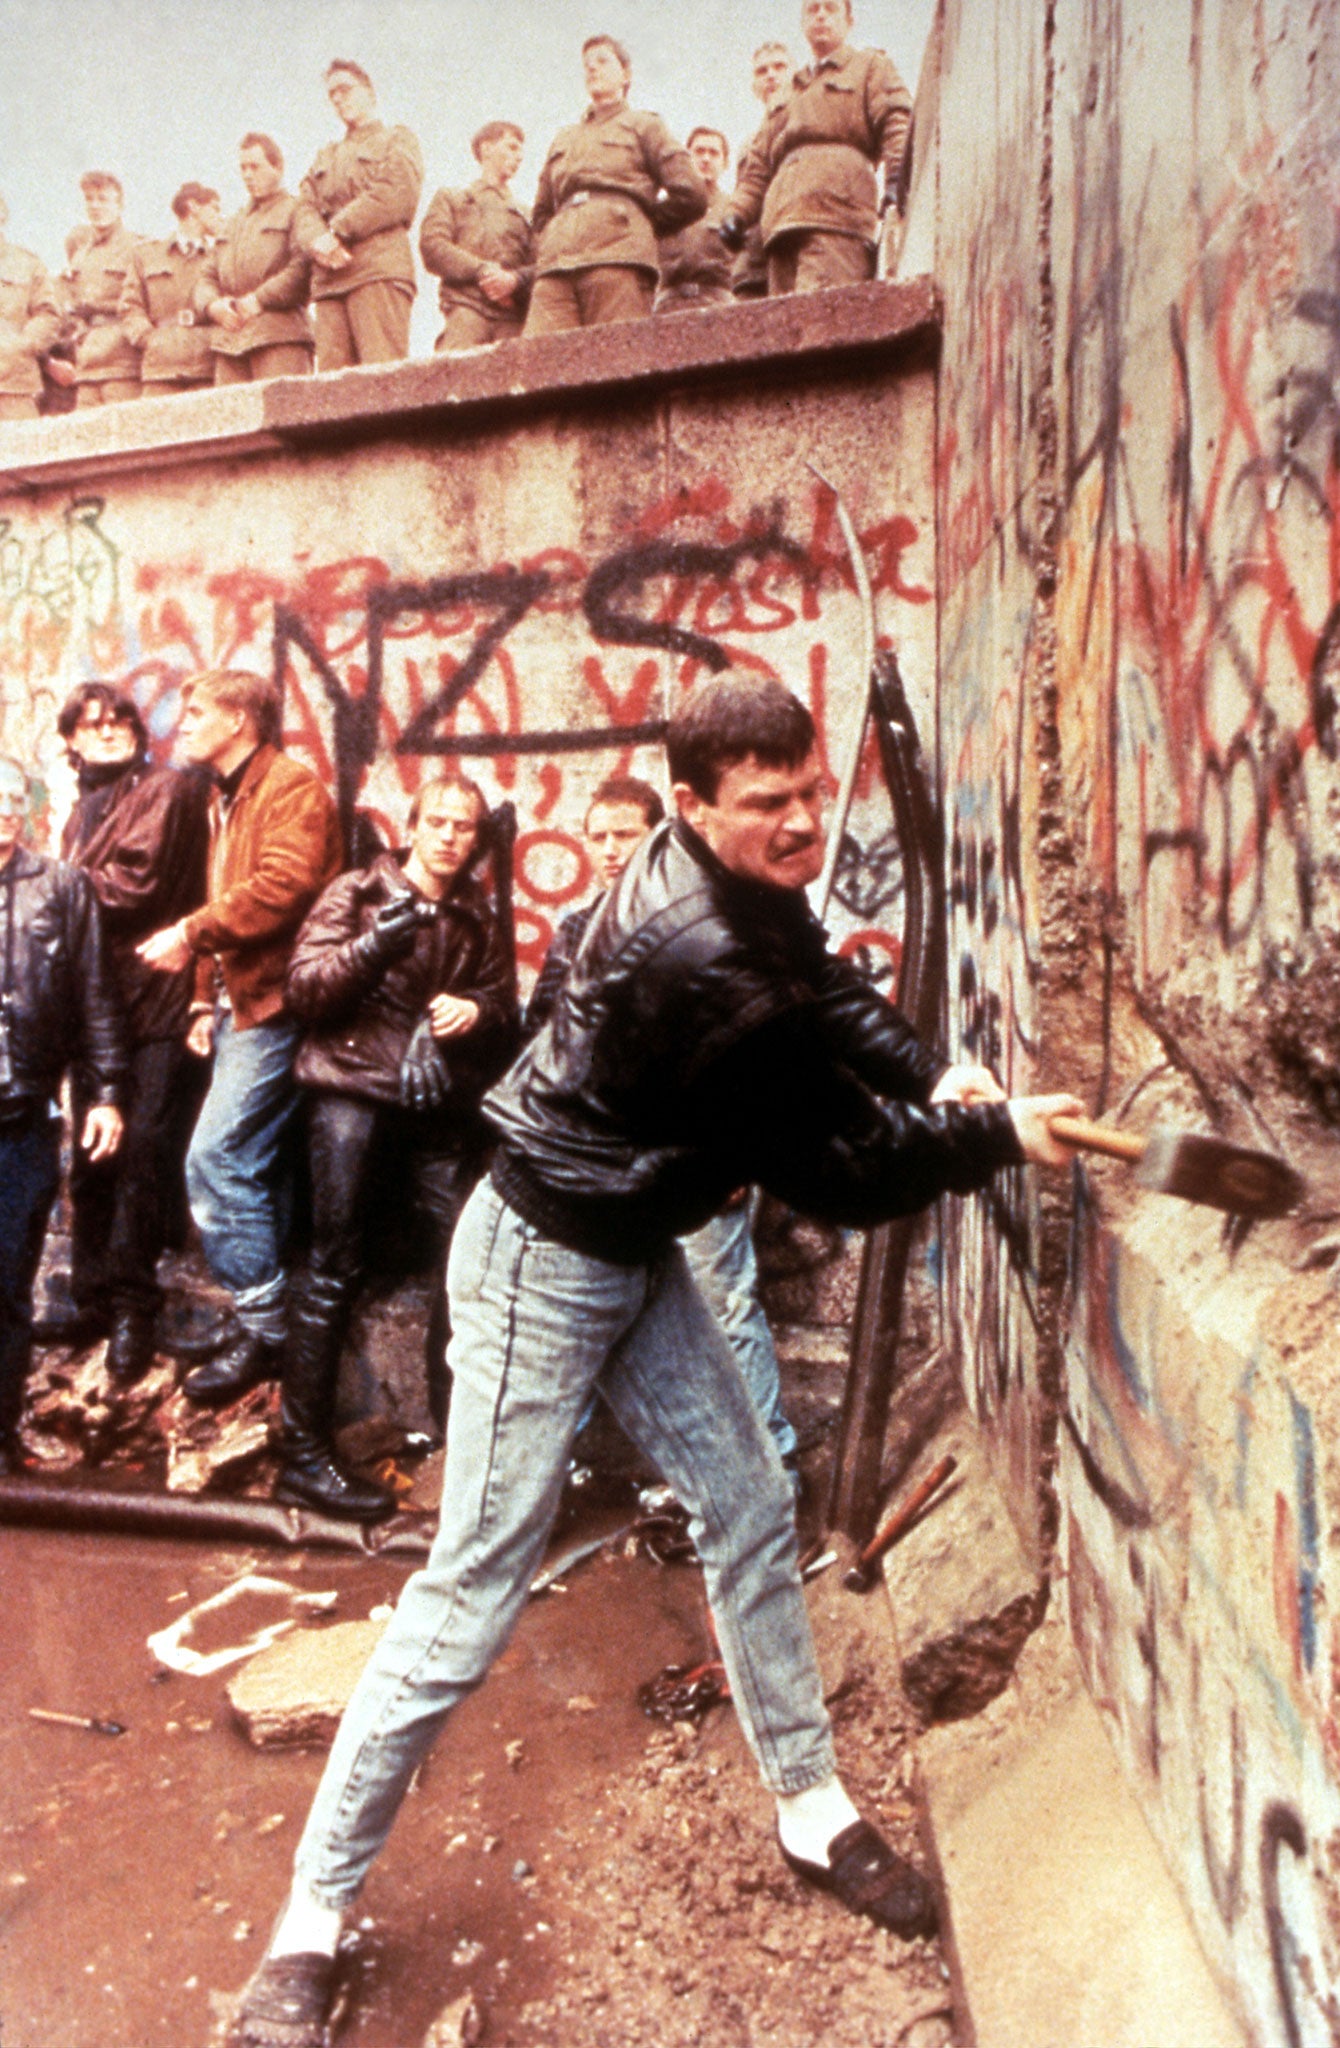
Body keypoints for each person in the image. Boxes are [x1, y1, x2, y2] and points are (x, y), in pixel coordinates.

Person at [226, 673, 1083, 2047]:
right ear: (692, 807)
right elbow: (850, 1174)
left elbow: (822, 982)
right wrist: (995, 1136)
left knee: (748, 1510)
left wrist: (936, 1073)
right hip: (541, 1263)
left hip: (637, 1246)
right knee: (468, 1598)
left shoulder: (731, 878)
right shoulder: (701, 955)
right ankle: (309, 1921)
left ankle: (811, 1811)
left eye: (813, 790)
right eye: (771, 806)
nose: (805, 821)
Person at [525, 774, 801, 1469]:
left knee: (722, 1308)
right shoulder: (579, 931)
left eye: (627, 835)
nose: (612, 850)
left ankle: (773, 1464)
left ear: (660, 837)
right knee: (587, 1309)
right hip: (610, 1159)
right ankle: (611, 1471)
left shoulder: (711, 921)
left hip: (697, 1155)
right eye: (599, 836)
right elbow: (545, 1040)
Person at [277, 773, 518, 1520]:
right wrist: (378, 944)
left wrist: (471, 1012)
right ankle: (302, 1458)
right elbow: (306, 992)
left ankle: (460, 1455)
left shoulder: (477, 914)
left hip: (433, 1105)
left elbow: (507, 1009)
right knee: (333, 1267)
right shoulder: (358, 893)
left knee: (463, 1271)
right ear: (413, 827)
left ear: (478, 840)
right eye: (438, 822)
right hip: (350, 1093)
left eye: (465, 827)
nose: (451, 837)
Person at [137, 670, 341, 1406]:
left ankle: (270, 1334)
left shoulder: (289, 787)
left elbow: (283, 887)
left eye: (196, 713)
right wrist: (201, 1000)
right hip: (238, 1005)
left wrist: (188, 936)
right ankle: (268, 1332)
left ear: (241, 721)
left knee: (217, 1160)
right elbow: (226, 899)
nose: (180, 723)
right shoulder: (228, 794)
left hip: (278, 1006)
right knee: (256, 1166)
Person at [57, 682, 209, 1383]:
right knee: (92, 1154)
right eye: (91, 724)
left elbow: (137, 886)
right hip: (95, 1004)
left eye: (119, 719)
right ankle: (89, 1296)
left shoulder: (167, 791)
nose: (108, 729)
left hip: (156, 998)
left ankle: (131, 1308)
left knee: (144, 1148)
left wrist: (50, 886)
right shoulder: (82, 811)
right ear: (72, 744)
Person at [0, 757, 125, 1474]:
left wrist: (106, 1094)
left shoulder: (62, 888)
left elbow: (96, 999)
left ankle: (4, 1432)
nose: (4, 811)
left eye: (15, 799)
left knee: (7, 1282)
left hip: (21, 1120)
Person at [721, 0, 912, 296]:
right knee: (784, 333)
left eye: (830, 8)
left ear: (849, 21)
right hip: (781, 227)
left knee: (825, 324)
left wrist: (896, 180)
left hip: (835, 217)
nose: (821, 15)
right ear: (802, 23)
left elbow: (896, 122)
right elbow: (757, 168)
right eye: (812, 9)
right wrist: (736, 214)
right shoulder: (788, 90)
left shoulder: (869, 66)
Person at [523, 35, 706, 338]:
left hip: (617, 258)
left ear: (626, 74)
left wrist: (638, 223)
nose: (592, 69)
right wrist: (553, 240)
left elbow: (692, 193)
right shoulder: (564, 137)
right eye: (587, 65)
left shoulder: (644, 125)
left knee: (617, 362)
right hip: (556, 266)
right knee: (537, 368)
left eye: (603, 60)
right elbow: (541, 212)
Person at [294, 60, 423, 372]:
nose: (338, 99)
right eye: (332, 95)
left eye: (345, 90)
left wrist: (336, 231)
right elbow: (303, 207)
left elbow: (395, 194)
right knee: (331, 391)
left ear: (369, 91)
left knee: (382, 379)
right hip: (329, 280)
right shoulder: (326, 155)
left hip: (376, 271)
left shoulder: (396, 139)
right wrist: (317, 241)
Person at [197, 135, 314, 385]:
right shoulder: (233, 223)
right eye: (243, 168)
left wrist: (259, 299)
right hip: (230, 342)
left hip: (279, 337)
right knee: (230, 422)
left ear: (278, 167)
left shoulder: (298, 210)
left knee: (286, 418)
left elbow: (303, 266)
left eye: (255, 166)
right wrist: (212, 306)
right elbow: (206, 275)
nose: (248, 175)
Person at [419, 121, 534, 352]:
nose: (519, 156)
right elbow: (433, 246)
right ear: (486, 148)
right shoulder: (452, 198)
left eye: (521, 150)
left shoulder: (527, 215)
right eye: (512, 147)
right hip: (466, 308)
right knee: (450, 377)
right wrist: (482, 271)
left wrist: (514, 281)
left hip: (512, 317)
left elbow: (543, 263)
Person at [120, 183, 223, 398]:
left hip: (206, 364)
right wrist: (148, 339)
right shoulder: (147, 254)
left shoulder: (220, 256)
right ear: (193, 207)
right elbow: (130, 306)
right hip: (160, 367)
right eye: (215, 208)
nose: (219, 216)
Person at [48, 172, 142, 407]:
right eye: (90, 199)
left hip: (121, 362)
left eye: (103, 199)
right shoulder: (81, 253)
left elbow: (145, 304)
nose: (95, 206)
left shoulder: (136, 247)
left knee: (123, 435)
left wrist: (95, 307)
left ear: (119, 205)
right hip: (87, 362)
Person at [731, 43, 795, 301]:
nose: (771, 75)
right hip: (756, 262)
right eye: (762, 71)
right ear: (754, 86)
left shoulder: (805, 121)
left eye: (779, 67)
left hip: (793, 242)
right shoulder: (749, 143)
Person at [654, 128, 734, 314]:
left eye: (713, 153)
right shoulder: (667, 209)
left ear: (725, 163)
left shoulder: (734, 208)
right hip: (669, 305)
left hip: (718, 305)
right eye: (699, 151)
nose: (706, 159)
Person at [0, 194, 61, 423]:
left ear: (2, 215)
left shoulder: (26, 263)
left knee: (23, 452)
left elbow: (48, 313)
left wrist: (24, 345)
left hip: (14, 380)